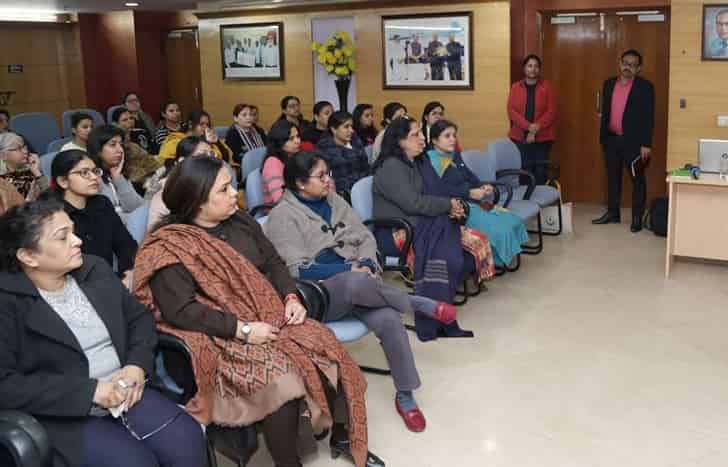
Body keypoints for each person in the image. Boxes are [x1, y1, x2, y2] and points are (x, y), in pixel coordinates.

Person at [134, 156, 383, 467]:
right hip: (219, 334)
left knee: (327, 346)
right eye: (224, 189)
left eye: (232, 186)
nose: (234, 194)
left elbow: (274, 262)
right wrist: (243, 330)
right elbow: (182, 311)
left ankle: (343, 435)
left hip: (268, 312)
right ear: (197, 201)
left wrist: (291, 297)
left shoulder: (240, 221)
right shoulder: (170, 246)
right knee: (281, 378)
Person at [0, 199, 207, 467]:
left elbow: (139, 320)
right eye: (63, 237)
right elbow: (6, 384)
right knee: (133, 462)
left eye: (73, 231)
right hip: (64, 411)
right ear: (29, 256)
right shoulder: (8, 302)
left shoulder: (93, 269)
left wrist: (136, 365)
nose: (77, 241)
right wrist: (90, 392)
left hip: (128, 391)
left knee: (187, 441)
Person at [265, 151, 458, 432]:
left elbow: (365, 236)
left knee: (389, 319)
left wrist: (367, 262)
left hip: (361, 284)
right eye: (321, 176)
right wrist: (349, 270)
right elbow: (296, 269)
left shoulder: (334, 200)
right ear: (300, 183)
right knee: (354, 282)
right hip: (320, 293)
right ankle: (417, 303)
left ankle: (405, 396)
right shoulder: (282, 216)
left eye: (328, 173)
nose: (328, 180)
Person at [373, 118, 493, 341]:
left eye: (421, 133)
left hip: (422, 221)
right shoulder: (391, 167)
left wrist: (454, 207)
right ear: (400, 141)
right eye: (415, 135)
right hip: (397, 230)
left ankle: (438, 308)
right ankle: (434, 315)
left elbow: (436, 192)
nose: (422, 139)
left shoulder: (419, 161)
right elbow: (413, 203)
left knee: (470, 248)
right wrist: (447, 206)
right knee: (450, 257)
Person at [428, 120, 528, 267]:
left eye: (454, 135)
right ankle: (497, 261)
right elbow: (440, 190)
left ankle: (503, 256)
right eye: (447, 136)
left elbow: (469, 175)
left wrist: (482, 186)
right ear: (435, 140)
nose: (452, 139)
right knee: (501, 229)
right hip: (458, 208)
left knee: (510, 218)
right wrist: (468, 192)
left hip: (473, 200)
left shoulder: (454, 155)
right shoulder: (431, 162)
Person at [45, 150, 137, 286]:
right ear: (63, 181)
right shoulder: (51, 216)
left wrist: (128, 273)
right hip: (75, 287)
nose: (94, 177)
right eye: (84, 173)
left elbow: (125, 245)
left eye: (95, 171)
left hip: (110, 281)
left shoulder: (102, 203)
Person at [593, 49, 655, 233]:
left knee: (638, 180)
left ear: (639, 68)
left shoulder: (645, 87)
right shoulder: (609, 84)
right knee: (613, 178)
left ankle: (637, 217)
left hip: (634, 142)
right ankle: (613, 213)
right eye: (626, 63)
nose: (628, 67)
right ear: (620, 63)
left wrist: (646, 144)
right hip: (611, 139)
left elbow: (649, 117)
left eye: (633, 65)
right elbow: (606, 111)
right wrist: (603, 137)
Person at [507, 54, 557, 186]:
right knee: (524, 171)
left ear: (539, 69)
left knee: (540, 172)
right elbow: (511, 111)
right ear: (524, 68)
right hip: (519, 137)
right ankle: (526, 198)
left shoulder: (547, 86)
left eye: (536, 66)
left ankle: (540, 198)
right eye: (529, 66)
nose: (533, 69)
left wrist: (535, 129)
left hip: (543, 137)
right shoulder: (515, 87)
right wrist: (529, 127)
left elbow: (551, 111)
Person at [147, 136, 217, 230]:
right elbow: (158, 233)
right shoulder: (166, 193)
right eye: (202, 155)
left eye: (211, 154)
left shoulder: (209, 182)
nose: (210, 159)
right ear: (182, 161)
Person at [87, 125, 145, 222]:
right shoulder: (91, 177)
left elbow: (137, 207)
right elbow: (105, 218)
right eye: (113, 145)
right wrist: (136, 219)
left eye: (121, 144)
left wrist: (118, 179)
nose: (120, 150)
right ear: (98, 150)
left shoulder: (118, 172)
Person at [157, 109, 234, 170]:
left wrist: (217, 142)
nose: (205, 127)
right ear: (190, 124)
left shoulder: (207, 139)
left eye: (207, 124)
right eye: (201, 124)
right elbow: (166, 163)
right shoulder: (175, 140)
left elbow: (226, 159)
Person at [317, 110, 370, 196]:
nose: (351, 130)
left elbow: (366, 167)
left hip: (364, 186)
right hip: (344, 193)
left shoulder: (356, 141)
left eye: (352, 126)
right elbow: (339, 181)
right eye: (346, 127)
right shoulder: (326, 149)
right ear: (334, 129)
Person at [262, 120, 303, 205]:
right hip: (281, 209)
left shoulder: (296, 156)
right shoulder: (272, 163)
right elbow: (280, 198)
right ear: (279, 142)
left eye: (298, 136)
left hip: (299, 204)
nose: (297, 141)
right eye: (291, 138)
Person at [0, 132, 47, 202]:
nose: (25, 151)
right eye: (18, 149)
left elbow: (51, 197)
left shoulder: (30, 168)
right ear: (2, 155)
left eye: (24, 147)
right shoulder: (2, 181)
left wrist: (37, 172)